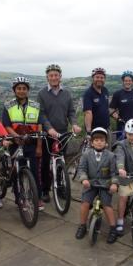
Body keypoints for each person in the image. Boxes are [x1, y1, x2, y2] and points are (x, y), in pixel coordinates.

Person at [37, 64, 81, 203]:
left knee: (61, 160)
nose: (54, 77)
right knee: (45, 162)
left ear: (60, 77)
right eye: (51, 75)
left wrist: (74, 124)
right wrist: (49, 128)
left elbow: (71, 112)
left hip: (62, 133)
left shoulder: (66, 93)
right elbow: (42, 115)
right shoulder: (42, 94)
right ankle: (45, 190)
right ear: (47, 77)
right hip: (47, 134)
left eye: (56, 75)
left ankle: (61, 187)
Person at [2, 77, 45, 210]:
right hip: (16, 143)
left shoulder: (36, 106)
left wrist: (39, 146)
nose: (21, 91)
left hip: (31, 143)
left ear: (28, 90)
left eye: (24, 88)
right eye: (19, 88)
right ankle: (19, 197)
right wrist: (16, 136)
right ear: (14, 90)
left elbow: (39, 126)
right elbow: (7, 125)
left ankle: (36, 197)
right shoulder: (8, 106)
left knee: (34, 171)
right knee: (17, 171)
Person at [75, 127, 119, 243]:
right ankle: (82, 225)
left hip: (105, 184)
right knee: (85, 203)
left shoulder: (110, 156)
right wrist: (84, 179)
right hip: (90, 184)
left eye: (102, 140)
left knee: (107, 205)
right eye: (96, 140)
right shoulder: (86, 155)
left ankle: (113, 229)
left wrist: (114, 183)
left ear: (106, 143)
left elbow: (115, 173)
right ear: (92, 142)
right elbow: (82, 169)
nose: (99, 142)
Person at [109, 70, 133, 140]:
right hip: (122, 125)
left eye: (129, 80)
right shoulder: (117, 94)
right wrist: (118, 118)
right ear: (123, 82)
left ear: (132, 82)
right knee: (121, 146)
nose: (127, 82)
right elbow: (111, 109)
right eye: (126, 80)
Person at [82, 67, 110, 135]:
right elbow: (88, 113)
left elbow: (106, 108)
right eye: (97, 77)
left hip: (106, 128)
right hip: (94, 130)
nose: (99, 79)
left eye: (102, 77)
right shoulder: (88, 93)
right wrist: (89, 131)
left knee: (108, 145)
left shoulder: (105, 90)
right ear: (93, 78)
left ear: (104, 79)